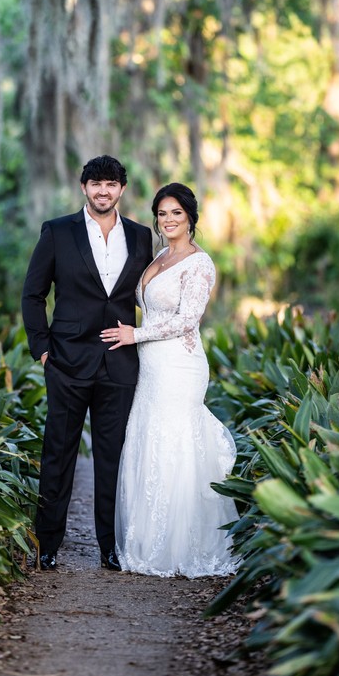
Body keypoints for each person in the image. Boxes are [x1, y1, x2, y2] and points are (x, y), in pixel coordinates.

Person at [21, 155, 153, 571]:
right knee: (59, 452)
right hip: (67, 361)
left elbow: (147, 297)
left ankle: (110, 548)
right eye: (95, 183)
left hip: (120, 365)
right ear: (84, 188)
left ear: (121, 190)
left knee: (112, 459)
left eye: (111, 184)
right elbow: (33, 295)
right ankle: (48, 544)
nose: (103, 191)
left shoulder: (140, 236)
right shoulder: (58, 232)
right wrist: (42, 349)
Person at [101, 183, 237, 578]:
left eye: (176, 212)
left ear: (190, 217)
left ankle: (181, 546)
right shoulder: (159, 256)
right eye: (162, 213)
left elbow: (186, 319)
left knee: (175, 439)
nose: (168, 220)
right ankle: (146, 541)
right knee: (148, 436)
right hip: (151, 366)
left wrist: (135, 334)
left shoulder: (200, 263)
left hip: (180, 365)